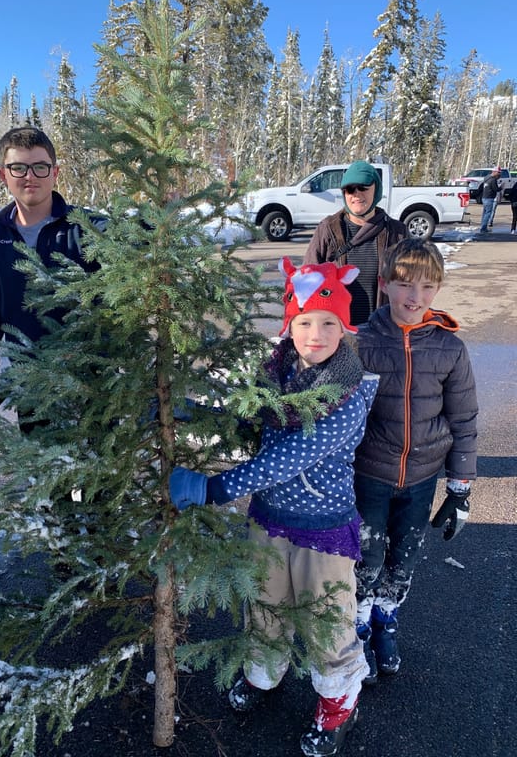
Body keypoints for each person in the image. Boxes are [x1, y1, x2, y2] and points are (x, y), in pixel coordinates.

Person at [170, 257, 379, 757]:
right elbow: (248, 420)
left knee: (327, 620)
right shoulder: (277, 377)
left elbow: (290, 455)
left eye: (329, 322)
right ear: (289, 325)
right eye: (305, 322)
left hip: (323, 529)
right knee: (266, 609)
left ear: (345, 328)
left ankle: (337, 702)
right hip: (269, 521)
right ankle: (265, 675)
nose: (315, 333)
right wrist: (191, 410)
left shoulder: (351, 392)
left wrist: (215, 490)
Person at [352, 238, 478, 684]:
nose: (415, 297)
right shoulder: (362, 343)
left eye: (427, 286)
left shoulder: (449, 349)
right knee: (365, 557)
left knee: (403, 558)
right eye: (404, 284)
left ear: (438, 289)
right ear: (384, 285)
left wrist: (460, 487)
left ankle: (386, 618)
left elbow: (463, 418)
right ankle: (360, 623)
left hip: (422, 476)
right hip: (369, 474)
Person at [0, 126, 97, 402]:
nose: (30, 176)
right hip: (31, 384)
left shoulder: (86, 227)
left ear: (55, 173)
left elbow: (130, 236)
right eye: (18, 167)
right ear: (3, 174)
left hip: (91, 385)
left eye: (40, 167)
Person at [303, 160, 407, 326]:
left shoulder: (397, 233)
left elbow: (411, 283)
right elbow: (307, 280)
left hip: (383, 333)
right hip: (337, 334)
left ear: (376, 189)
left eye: (363, 187)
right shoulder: (328, 229)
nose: (356, 194)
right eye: (350, 189)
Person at [479, 166, 503, 234]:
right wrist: (501, 187)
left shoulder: (486, 177)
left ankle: (483, 226)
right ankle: (483, 228)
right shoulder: (493, 180)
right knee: (488, 214)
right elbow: (495, 189)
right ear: (494, 172)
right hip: (489, 198)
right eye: (498, 173)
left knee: (485, 213)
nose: (499, 174)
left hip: (484, 197)